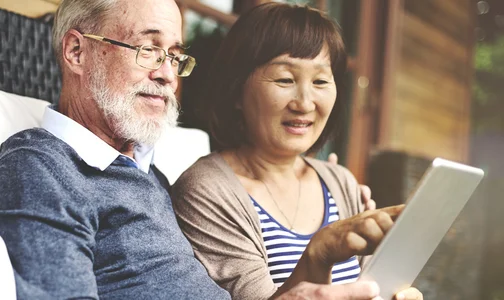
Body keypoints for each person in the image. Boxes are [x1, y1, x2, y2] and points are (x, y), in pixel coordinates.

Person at [0, 0, 387, 299]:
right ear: (77, 51)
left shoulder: (146, 174)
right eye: (148, 50)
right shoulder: (40, 168)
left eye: (175, 56)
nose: (168, 74)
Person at [171, 3, 422, 300]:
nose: (304, 103)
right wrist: (319, 252)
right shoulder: (207, 190)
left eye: (320, 81)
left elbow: (374, 286)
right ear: (237, 91)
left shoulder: (339, 181)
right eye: (285, 80)